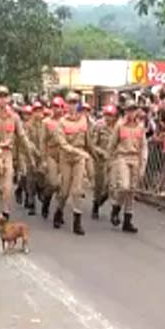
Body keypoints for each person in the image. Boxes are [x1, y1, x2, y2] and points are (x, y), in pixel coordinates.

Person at [0, 86, 34, 227]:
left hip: (7, 154)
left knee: (7, 188)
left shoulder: (14, 117)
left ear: (9, 98)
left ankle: (5, 215)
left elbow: (22, 136)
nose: (2, 99)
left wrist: (31, 154)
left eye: (5, 96)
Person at [49, 92, 93, 235]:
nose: (72, 105)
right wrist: (79, 152)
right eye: (70, 102)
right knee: (64, 190)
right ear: (66, 105)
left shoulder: (84, 121)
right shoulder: (61, 122)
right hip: (66, 157)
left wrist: (94, 155)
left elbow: (88, 141)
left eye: (75, 102)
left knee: (77, 190)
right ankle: (59, 210)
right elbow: (62, 144)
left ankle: (77, 222)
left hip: (79, 158)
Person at [108, 99, 147, 233]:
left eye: (133, 110)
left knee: (131, 190)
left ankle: (127, 220)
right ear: (125, 112)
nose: (131, 113)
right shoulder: (120, 126)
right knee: (124, 186)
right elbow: (112, 144)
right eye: (129, 110)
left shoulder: (140, 127)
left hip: (135, 158)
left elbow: (143, 148)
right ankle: (116, 207)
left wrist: (143, 165)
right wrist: (110, 161)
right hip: (122, 157)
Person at [90, 103, 118, 220]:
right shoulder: (98, 126)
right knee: (99, 185)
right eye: (106, 115)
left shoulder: (118, 127)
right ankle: (95, 206)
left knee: (112, 185)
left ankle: (103, 200)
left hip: (113, 160)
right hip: (100, 160)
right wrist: (101, 152)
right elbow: (92, 144)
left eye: (111, 115)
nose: (108, 118)